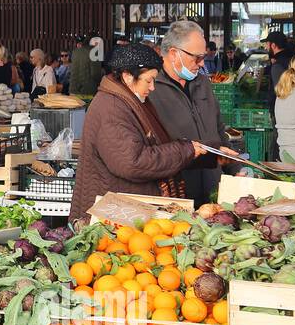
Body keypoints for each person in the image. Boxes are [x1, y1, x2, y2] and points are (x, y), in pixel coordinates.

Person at [69, 43, 205, 220]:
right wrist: (183, 150)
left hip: (125, 211)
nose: (152, 87)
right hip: (114, 217)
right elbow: (133, 162)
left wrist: (198, 150)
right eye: (148, 80)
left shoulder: (129, 100)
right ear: (127, 76)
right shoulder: (112, 108)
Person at [149, 20, 238, 207]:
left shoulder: (202, 83)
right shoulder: (151, 88)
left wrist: (235, 167)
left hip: (213, 189)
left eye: (203, 57)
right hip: (176, 195)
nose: (202, 63)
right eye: (196, 58)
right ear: (174, 54)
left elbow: (218, 130)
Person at [263, 30, 294, 114]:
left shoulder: (278, 65)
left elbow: (281, 93)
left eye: (267, 44)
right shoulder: (291, 59)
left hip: (281, 111)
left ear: (273, 45)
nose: (266, 47)